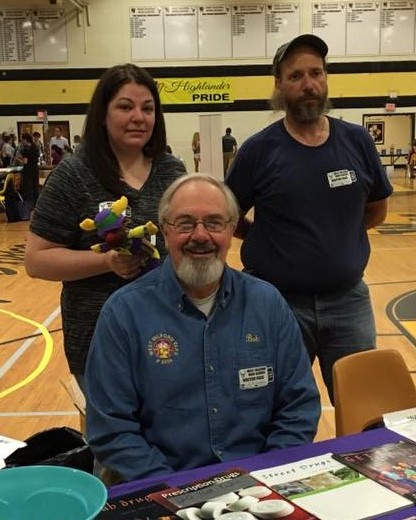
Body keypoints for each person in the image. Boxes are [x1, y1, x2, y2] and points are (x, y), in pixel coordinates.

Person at [85, 174, 321, 482]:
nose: (200, 235)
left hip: (260, 488)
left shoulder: (267, 303)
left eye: (213, 222)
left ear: (231, 230)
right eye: (184, 223)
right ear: (165, 232)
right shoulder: (123, 313)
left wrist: (265, 481)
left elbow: (298, 406)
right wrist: (176, 492)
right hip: (164, 490)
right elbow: (111, 428)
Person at [225, 34, 393, 404]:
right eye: (296, 76)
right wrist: (263, 237)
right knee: (279, 407)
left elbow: (377, 208)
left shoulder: (357, 141)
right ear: (279, 86)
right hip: (278, 303)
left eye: (316, 73)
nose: (308, 85)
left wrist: (337, 236)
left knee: (363, 407)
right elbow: (227, 215)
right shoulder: (258, 151)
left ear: (326, 78)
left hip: (348, 301)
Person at [24, 63, 186, 393]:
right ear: (103, 114)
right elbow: (36, 260)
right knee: (111, 442)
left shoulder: (173, 171)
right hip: (97, 340)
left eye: (148, 108)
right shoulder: (73, 174)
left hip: (167, 335)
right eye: (125, 107)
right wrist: (106, 262)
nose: (139, 117)